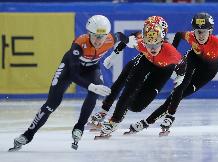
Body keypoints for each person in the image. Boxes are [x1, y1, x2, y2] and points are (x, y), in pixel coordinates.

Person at [9, 15, 135, 151]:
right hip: (69, 69)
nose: (98, 40)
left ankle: (79, 126)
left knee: (94, 93)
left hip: (92, 68)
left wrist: (128, 41)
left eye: (101, 37)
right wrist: (91, 86)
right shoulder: (79, 44)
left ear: (106, 35)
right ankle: (28, 134)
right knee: (52, 104)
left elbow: (121, 36)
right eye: (94, 36)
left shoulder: (110, 39)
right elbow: (73, 75)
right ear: (89, 34)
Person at [127, 12, 218, 135]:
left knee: (176, 96)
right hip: (193, 58)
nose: (200, 35)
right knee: (179, 89)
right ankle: (169, 116)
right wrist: (171, 54)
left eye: (204, 31)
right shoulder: (190, 36)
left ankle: (146, 122)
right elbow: (179, 35)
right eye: (197, 31)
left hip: (207, 71)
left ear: (210, 31)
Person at [94, 16, 183, 138]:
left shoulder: (172, 53)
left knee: (136, 107)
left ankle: (122, 106)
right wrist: (113, 56)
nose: (152, 48)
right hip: (145, 61)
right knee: (128, 88)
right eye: (148, 43)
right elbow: (125, 38)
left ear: (162, 41)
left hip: (163, 70)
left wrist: (180, 78)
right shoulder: (140, 43)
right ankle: (113, 121)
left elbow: (184, 69)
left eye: (155, 43)